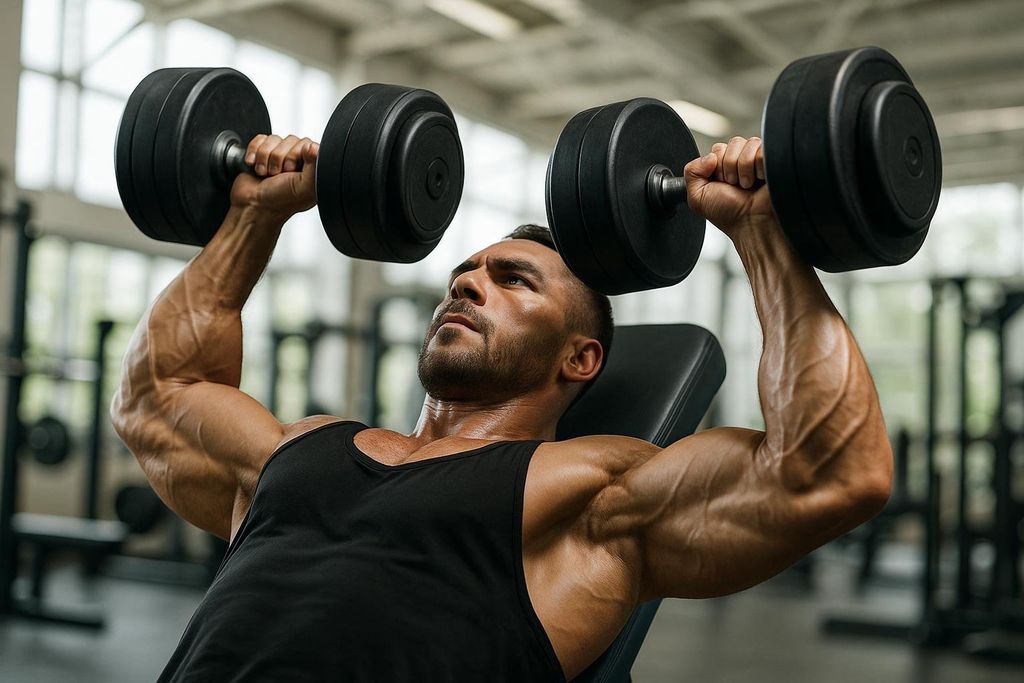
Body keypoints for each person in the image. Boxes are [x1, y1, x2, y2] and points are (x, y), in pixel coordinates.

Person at [110, 133, 892, 682]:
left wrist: (762, 237)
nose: (468, 282)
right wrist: (253, 215)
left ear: (580, 358)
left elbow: (828, 472)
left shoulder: (586, 494)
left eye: (514, 279)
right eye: (464, 273)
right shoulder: (302, 446)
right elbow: (155, 396)